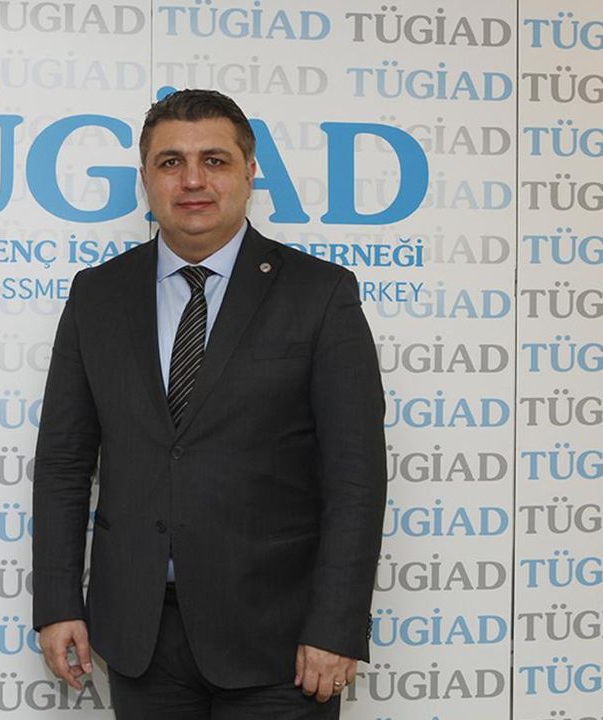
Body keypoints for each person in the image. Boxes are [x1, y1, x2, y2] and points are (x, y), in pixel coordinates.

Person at [31, 89, 387, 719]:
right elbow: (64, 463)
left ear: (249, 172)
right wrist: (59, 603)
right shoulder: (97, 296)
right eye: (170, 162)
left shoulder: (320, 294)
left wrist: (336, 624)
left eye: (214, 161)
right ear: (145, 178)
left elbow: (355, 477)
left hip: (280, 643)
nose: (192, 180)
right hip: (140, 638)